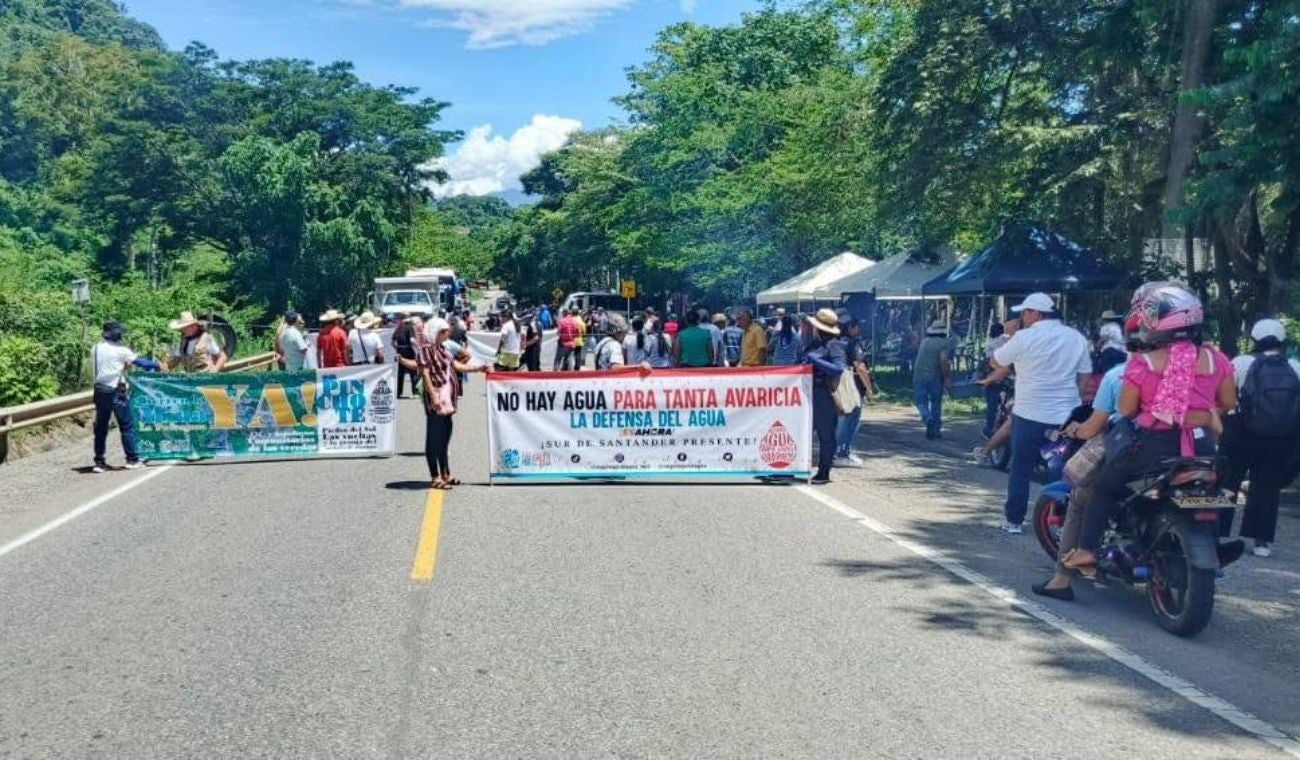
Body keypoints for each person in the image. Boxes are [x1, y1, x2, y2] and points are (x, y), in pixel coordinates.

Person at [1064, 283, 1241, 574]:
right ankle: (1213, 546)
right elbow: (1228, 401)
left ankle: (1085, 550)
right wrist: (1198, 412)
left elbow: (1126, 410)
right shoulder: (1217, 359)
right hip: (1201, 445)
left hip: (1151, 446)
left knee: (1104, 488)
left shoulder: (1141, 363)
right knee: (1206, 489)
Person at [1031, 329, 1138, 600]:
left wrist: (1077, 431)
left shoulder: (1120, 376)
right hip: (1181, 454)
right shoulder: (1185, 372)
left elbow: (1097, 425)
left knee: (1080, 500)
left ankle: (1062, 578)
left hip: (1126, 454)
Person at [991, 293, 1091, 534]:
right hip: (1065, 416)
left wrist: (1010, 336)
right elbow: (1085, 375)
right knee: (1063, 468)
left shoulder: (1024, 338)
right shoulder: (1075, 338)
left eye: (1025, 313)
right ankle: (1061, 519)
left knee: (1021, 468)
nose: (1022, 317)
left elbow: (996, 361)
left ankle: (1014, 520)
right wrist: (1072, 398)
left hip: (1029, 414)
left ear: (1036, 313)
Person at [1221, 318, 1300, 557]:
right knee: (1266, 487)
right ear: (1282, 341)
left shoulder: (1241, 363)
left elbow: (1227, 399)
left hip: (1241, 431)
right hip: (1279, 436)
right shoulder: (1295, 367)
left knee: (1228, 480)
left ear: (1254, 339)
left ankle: (1218, 531)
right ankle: (1261, 542)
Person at [400, 317, 487, 490]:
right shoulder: (426, 350)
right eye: (444, 331)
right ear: (436, 332)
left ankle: (446, 473)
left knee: (445, 437)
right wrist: (433, 397)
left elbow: (455, 365)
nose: (448, 333)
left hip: (448, 399)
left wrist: (478, 368)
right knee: (434, 438)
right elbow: (425, 373)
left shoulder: (443, 349)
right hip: (437, 399)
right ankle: (435, 476)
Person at [90, 320, 162, 473]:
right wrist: (157, 365)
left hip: (99, 390)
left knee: (101, 427)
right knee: (126, 425)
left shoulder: (95, 348)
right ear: (116, 334)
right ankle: (132, 459)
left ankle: (99, 462)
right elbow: (142, 363)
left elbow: (109, 365)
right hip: (116, 391)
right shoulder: (121, 350)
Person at [802, 309, 847, 485]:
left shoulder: (834, 345)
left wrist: (816, 361)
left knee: (825, 435)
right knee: (803, 431)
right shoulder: (814, 344)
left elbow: (838, 368)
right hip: (809, 392)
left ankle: (823, 472)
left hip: (824, 394)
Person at [835, 312, 875, 465]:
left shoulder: (836, 342)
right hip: (853, 387)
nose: (858, 329)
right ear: (850, 327)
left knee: (841, 420)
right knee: (851, 420)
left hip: (838, 386)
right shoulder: (853, 344)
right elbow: (860, 367)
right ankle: (842, 453)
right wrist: (869, 389)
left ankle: (838, 451)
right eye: (856, 326)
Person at [913, 320, 952, 440]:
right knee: (936, 403)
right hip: (934, 377)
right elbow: (943, 361)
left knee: (921, 402)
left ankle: (927, 418)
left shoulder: (924, 341)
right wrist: (946, 377)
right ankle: (936, 428)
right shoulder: (943, 343)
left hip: (918, 375)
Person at [981, 322, 1008, 438]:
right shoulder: (1008, 340)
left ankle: (989, 428)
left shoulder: (989, 344)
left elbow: (987, 362)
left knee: (992, 406)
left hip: (994, 377)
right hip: (1009, 376)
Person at [393, 314, 420, 398]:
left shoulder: (398, 328)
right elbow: (412, 340)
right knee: (413, 371)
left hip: (399, 351)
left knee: (400, 373)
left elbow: (392, 341)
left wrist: (397, 348)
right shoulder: (410, 327)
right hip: (408, 350)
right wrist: (418, 347)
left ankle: (398, 392)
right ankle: (415, 392)